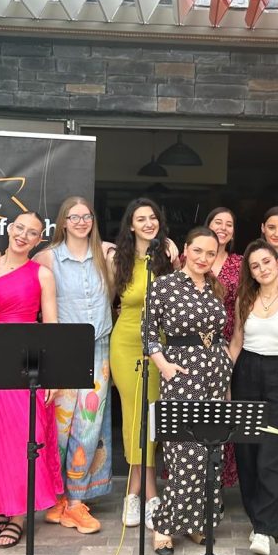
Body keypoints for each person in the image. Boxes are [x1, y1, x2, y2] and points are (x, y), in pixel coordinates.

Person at [0, 211, 63, 548]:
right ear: (9, 229)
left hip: (27, 363)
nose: (23, 235)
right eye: (19, 228)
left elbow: (51, 325)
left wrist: (53, 374)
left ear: (39, 240)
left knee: (25, 436)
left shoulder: (42, 274)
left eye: (32, 232)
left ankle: (19, 514)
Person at [145, 227, 232, 555]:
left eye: (210, 253)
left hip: (214, 374)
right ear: (185, 249)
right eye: (198, 251)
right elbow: (148, 333)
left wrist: (224, 367)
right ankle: (165, 525)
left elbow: (219, 333)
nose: (203, 258)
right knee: (184, 454)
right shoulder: (164, 285)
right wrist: (164, 366)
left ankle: (198, 522)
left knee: (210, 453)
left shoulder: (214, 286)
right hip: (181, 374)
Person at [36, 197, 115, 534]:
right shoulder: (47, 257)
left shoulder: (106, 254)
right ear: (63, 221)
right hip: (63, 348)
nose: (82, 222)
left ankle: (77, 500)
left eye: (87, 216)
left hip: (98, 347)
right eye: (74, 217)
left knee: (88, 424)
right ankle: (56, 497)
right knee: (60, 426)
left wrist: (168, 244)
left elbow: (141, 254)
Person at [228, 240, 278, 555]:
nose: (261, 269)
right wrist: (226, 384)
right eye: (254, 266)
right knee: (247, 453)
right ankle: (257, 517)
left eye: (266, 262)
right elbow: (237, 342)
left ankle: (265, 528)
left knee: (272, 453)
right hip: (247, 372)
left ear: (277, 263)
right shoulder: (244, 299)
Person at [109, 199, 178, 529]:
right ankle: (150, 496)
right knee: (133, 417)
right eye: (141, 219)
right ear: (131, 225)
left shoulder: (167, 258)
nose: (148, 223)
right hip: (125, 344)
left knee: (152, 416)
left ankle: (135, 492)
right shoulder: (118, 259)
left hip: (159, 346)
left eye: (153, 217)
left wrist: (172, 250)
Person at [204, 206, 241, 489]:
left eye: (229, 224)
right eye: (218, 222)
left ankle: (215, 485)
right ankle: (192, 481)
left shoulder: (240, 263)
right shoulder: (189, 258)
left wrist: (231, 355)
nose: (223, 228)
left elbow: (243, 310)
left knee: (223, 411)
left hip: (228, 345)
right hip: (192, 346)